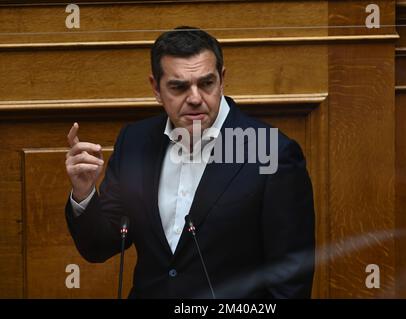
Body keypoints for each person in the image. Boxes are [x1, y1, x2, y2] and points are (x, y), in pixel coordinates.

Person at [65, 26, 315, 298]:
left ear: (222, 79)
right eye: (179, 86)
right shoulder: (134, 142)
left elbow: (291, 281)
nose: (195, 98)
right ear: (156, 88)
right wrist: (84, 191)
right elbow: (100, 245)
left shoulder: (271, 151)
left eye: (206, 83)